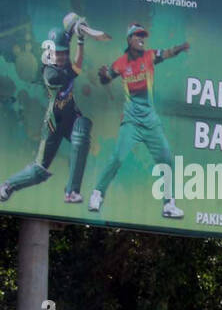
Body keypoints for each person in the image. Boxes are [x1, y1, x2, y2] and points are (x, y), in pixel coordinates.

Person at [0, 14, 109, 206]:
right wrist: (81, 40)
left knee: (82, 132)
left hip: (69, 113)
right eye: (58, 54)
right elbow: (77, 67)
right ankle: (8, 185)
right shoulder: (50, 73)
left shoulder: (60, 48)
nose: (61, 57)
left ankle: (71, 192)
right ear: (49, 53)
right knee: (39, 171)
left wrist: (76, 26)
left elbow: (68, 25)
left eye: (64, 53)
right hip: (53, 121)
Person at [89, 24, 190, 218]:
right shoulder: (121, 62)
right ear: (129, 40)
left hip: (151, 122)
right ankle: (97, 194)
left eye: (144, 36)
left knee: (167, 160)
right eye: (138, 36)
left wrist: (182, 47)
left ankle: (169, 205)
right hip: (132, 122)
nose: (142, 39)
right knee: (117, 158)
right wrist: (103, 75)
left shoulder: (149, 56)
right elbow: (105, 79)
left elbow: (168, 53)